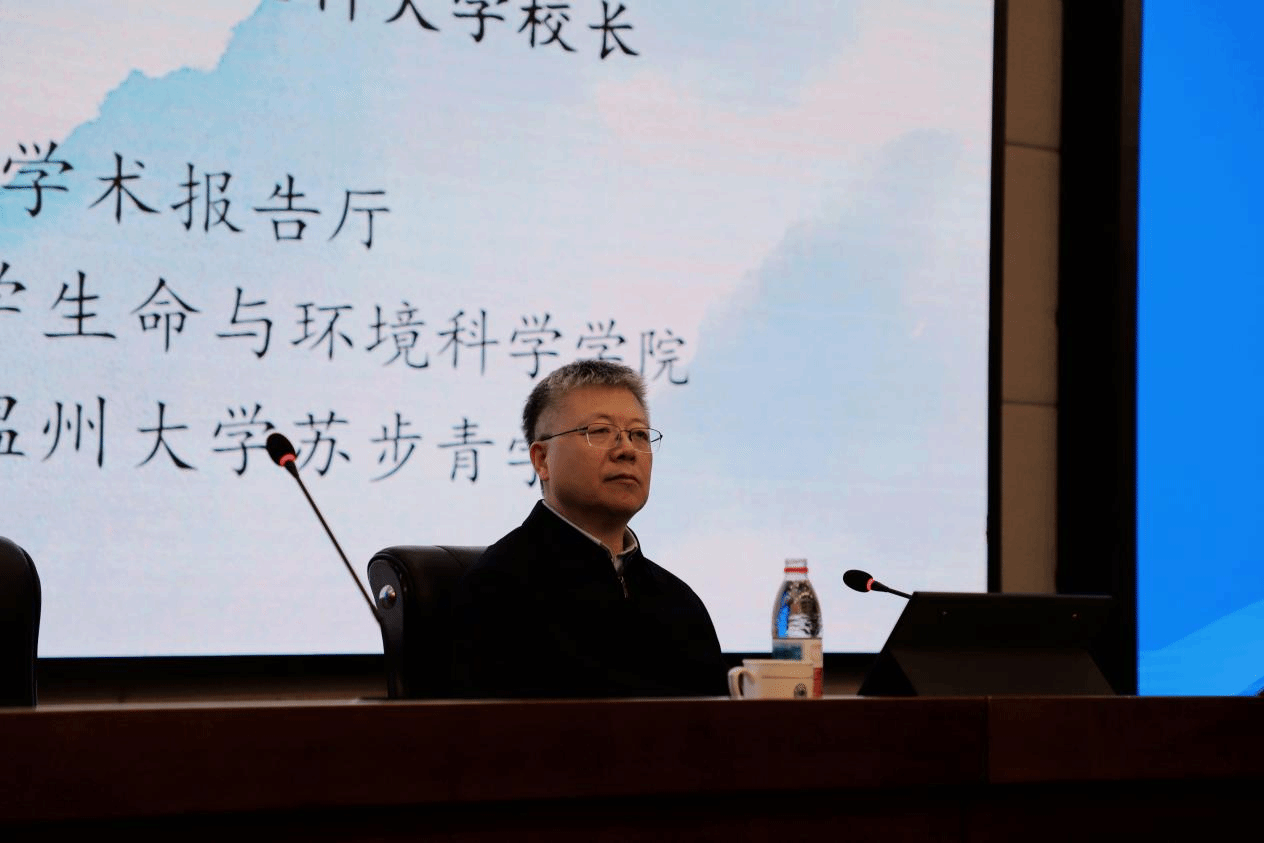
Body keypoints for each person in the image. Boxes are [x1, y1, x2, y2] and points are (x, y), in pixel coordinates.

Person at [449, 360, 728, 698]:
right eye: (599, 431)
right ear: (542, 460)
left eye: (639, 434)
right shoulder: (498, 591)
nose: (627, 450)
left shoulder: (680, 602)